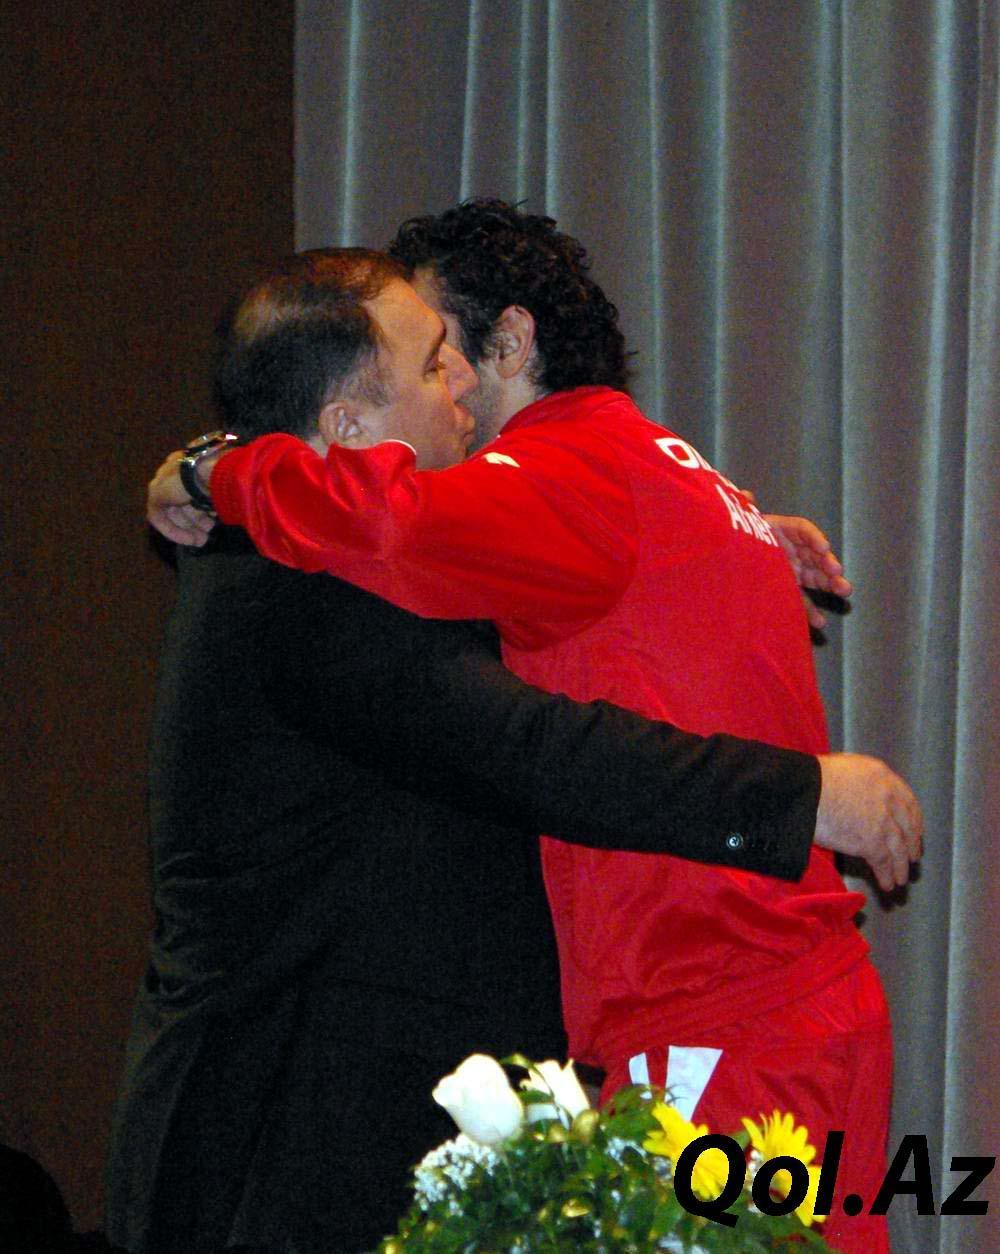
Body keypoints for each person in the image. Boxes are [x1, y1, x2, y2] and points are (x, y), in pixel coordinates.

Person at [148, 203, 923, 1253]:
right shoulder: (657, 469)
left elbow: (390, 536)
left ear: (510, 342)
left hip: (716, 1021)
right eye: (426, 364)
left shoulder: (563, 480)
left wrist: (213, 469)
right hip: (787, 1010)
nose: (453, 388)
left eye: (447, 351)